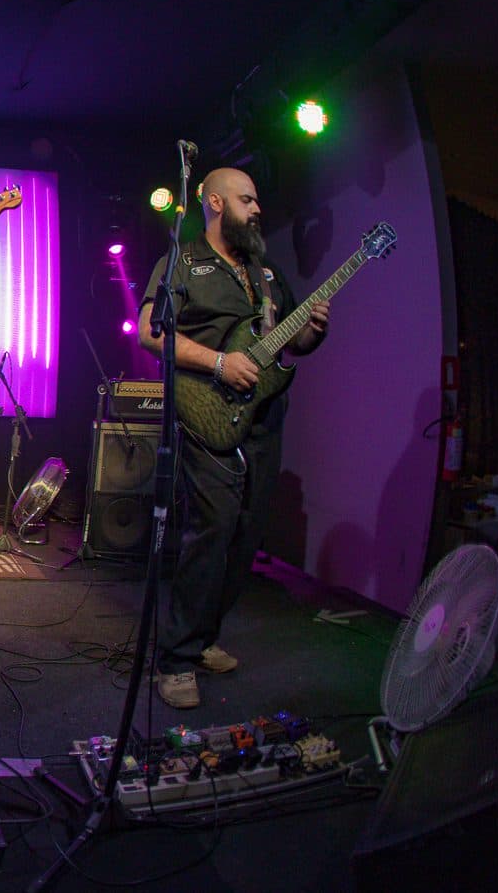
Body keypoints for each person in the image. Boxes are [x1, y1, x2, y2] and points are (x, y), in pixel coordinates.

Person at [137, 167, 331, 709]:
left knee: (246, 535)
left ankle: (203, 638)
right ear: (216, 203)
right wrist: (219, 362)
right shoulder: (182, 262)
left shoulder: (264, 273)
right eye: (247, 199)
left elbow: (290, 343)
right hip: (206, 412)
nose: (258, 209)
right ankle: (176, 660)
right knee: (212, 530)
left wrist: (312, 330)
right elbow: (152, 332)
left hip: (264, 417)